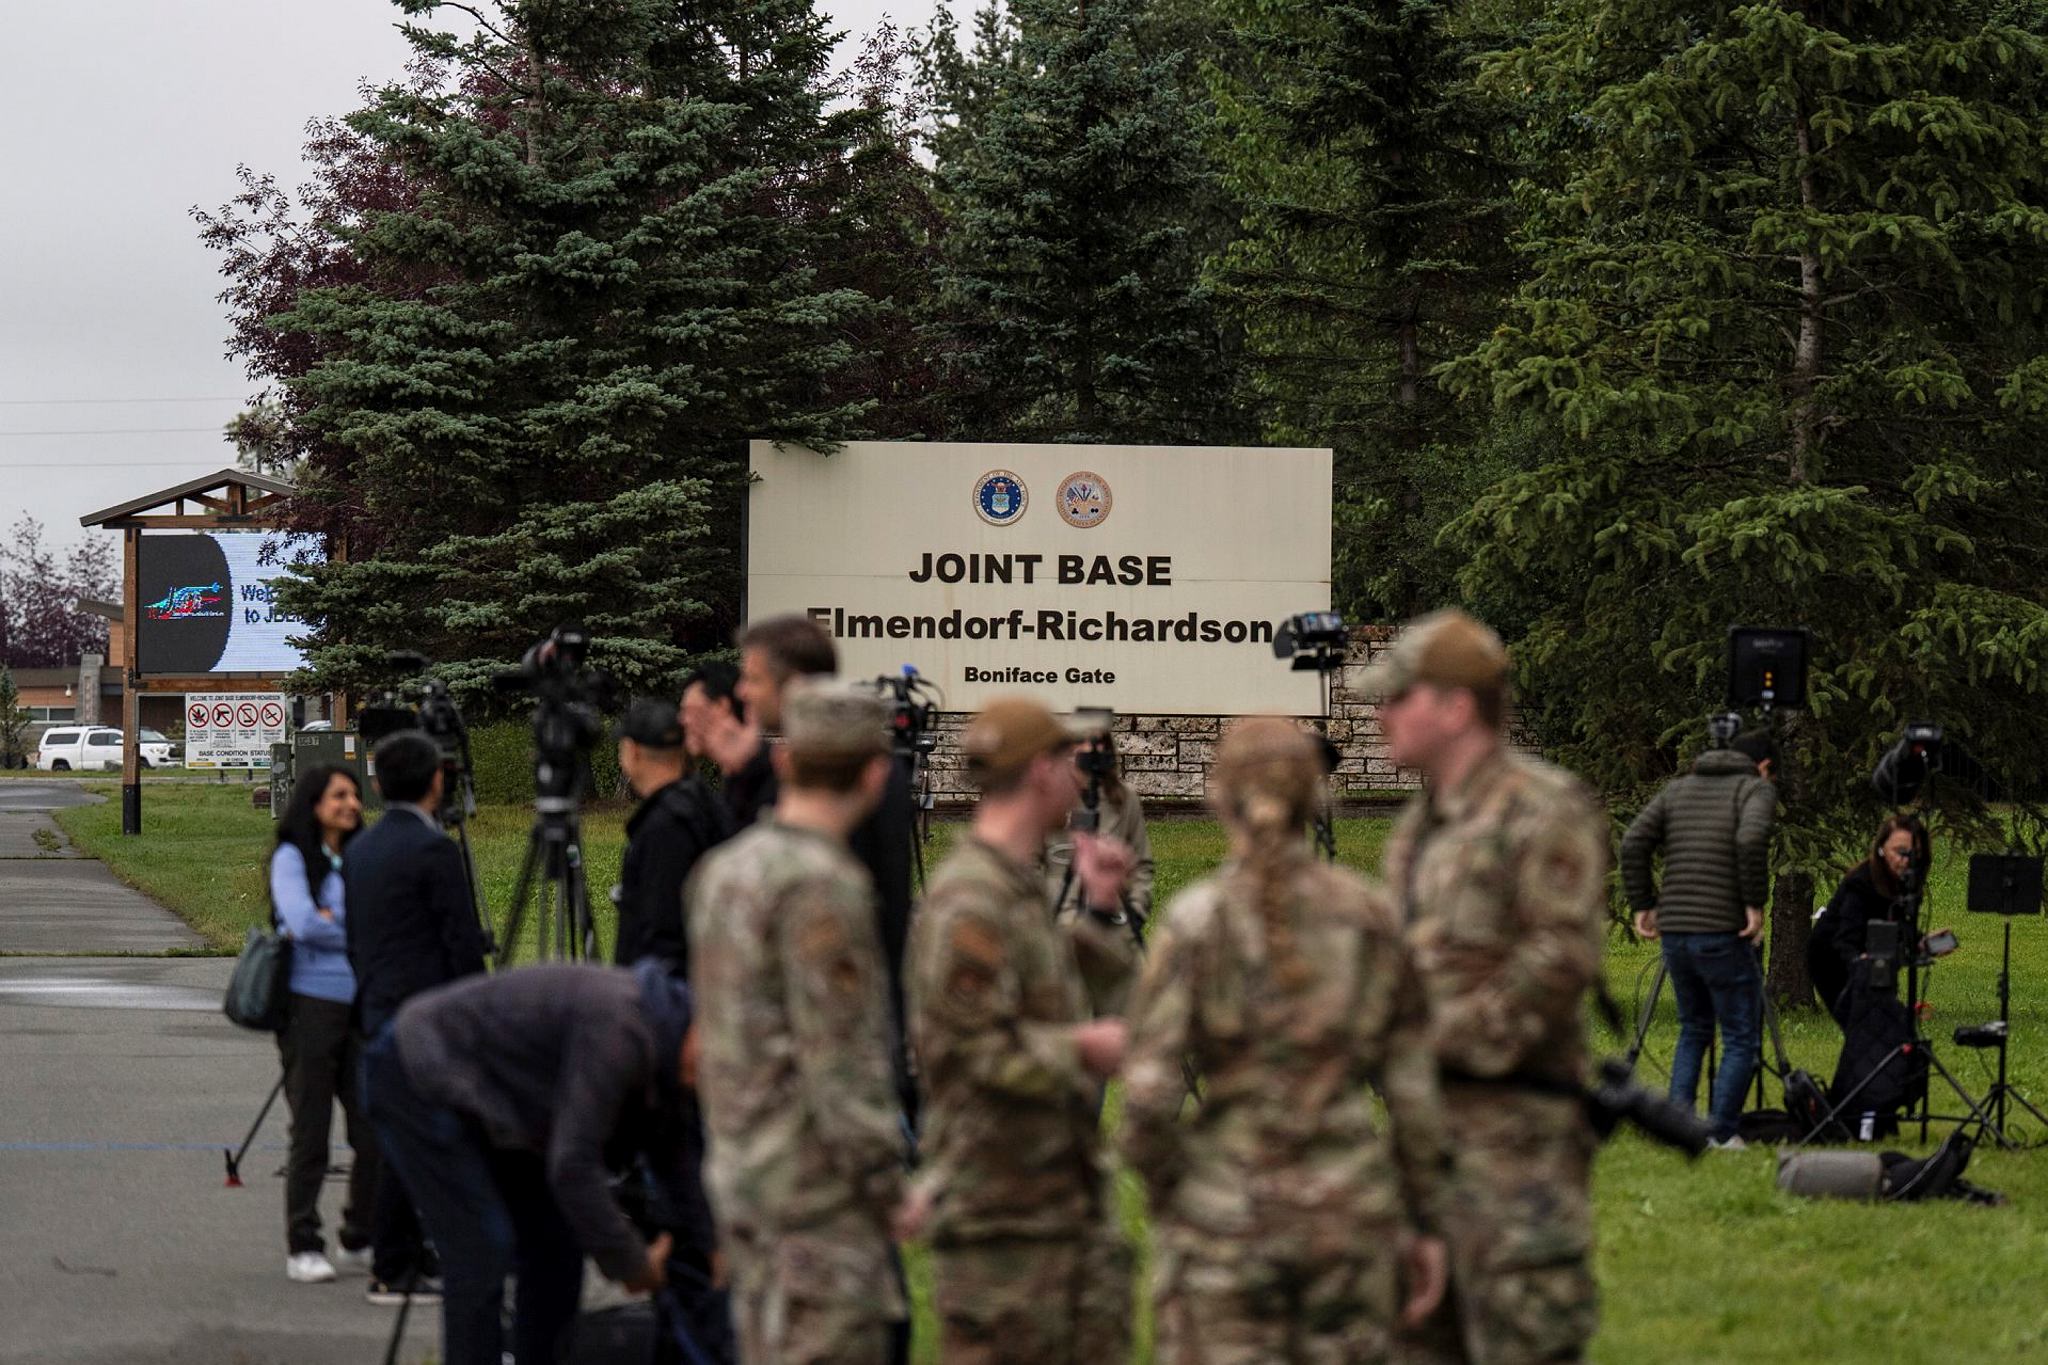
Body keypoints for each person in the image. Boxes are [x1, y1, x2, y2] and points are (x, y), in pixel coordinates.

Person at [1119, 719, 1450, 1364]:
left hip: (1224, 1220)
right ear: (1316, 799)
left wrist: (1176, 1193)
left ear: (1220, 799)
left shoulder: (1196, 923)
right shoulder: (1369, 915)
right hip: (1348, 1217)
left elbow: (1147, 1096)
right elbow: (1414, 1091)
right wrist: (1423, 1219)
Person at [1369, 611, 1609, 1365]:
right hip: (1422, 1153)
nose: (1380, 713)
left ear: (1454, 706)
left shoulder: (1541, 808)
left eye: (1397, 697)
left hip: (1513, 1158)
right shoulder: (1418, 827)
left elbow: (1560, 961)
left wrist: (1432, 1042)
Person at [902, 697, 1136, 1365]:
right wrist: (1084, 1049)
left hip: (1046, 1204)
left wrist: (1096, 908)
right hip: (997, 1222)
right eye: (1067, 759)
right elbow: (966, 1048)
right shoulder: (970, 900)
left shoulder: (1013, 886)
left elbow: (1038, 988)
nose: (1078, 773)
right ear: (1039, 770)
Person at [689, 682, 910, 1363]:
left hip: (740, 1171)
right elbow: (841, 1061)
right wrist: (890, 1183)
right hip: (816, 1195)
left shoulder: (722, 870)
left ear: (785, 764)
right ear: (876, 773)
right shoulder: (825, 886)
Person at [361, 962, 705, 1365]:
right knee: (482, 1247)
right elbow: (573, 1165)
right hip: (416, 1069)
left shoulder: (667, 1048)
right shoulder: (619, 1030)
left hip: (500, 1104)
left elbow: (675, 1156)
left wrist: (712, 1245)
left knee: (556, 1247)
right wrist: (630, 1262)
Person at [730, 615, 918, 1099]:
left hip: (838, 1035)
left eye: (753, 678)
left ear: (791, 686)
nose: (743, 692)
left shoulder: (845, 774)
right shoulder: (862, 765)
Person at [345, 729, 490, 1304]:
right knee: (423, 1145)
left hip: (378, 1005)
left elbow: (356, 938)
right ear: (437, 780)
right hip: (429, 1014)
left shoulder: (361, 849)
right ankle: (397, 1262)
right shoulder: (435, 851)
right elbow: (459, 941)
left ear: (378, 784)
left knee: (396, 1139)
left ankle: (401, 1255)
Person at [1619, 730, 1777, 1147]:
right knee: (1741, 1034)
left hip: (1675, 930)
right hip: (1721, 929)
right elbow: (1750, 838)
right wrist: (1753, 902)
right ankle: (1721, 1133)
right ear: (1764, 767)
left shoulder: (1678, 790)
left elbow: (1634, 841)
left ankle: (1679, 1127)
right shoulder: (1754, 791)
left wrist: (1643, 903)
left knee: (1694, 1029)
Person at [268, 763, 379, 1284]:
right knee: (311, 1130)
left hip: (361, 1008)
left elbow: (371, 920)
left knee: (374, 1126)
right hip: (308, 1009)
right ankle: (303, 1243)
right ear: (315, 804)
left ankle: (361, 1232)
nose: (351, 804)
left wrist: (338, 924)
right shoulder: (293, 858)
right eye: (339, 795)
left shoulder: (360, 856)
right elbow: (301, 922)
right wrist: (347, 928)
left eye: (355, 795)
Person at [614, 697, 733, 972]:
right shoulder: (705, 803)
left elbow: (662, 925)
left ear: (632, 752)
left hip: (672, 989)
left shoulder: (666, 825)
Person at [1044, 733, 1154, 1014]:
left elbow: (1142, 864)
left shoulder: (1124, 799)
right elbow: (1032, 866)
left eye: (1101, 743)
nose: (1094, 750)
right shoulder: (1053, 799)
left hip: (1115, 917)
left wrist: (1136, 911)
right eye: (1085, 742)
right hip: (1061, 916)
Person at [1809, 814, 1930, 1025]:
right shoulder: (1861, 883)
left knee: (1884, 1028)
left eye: (1914, 854)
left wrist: (1920, 942)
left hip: (1874, 959)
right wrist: (1861, 961)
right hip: (1832, 958)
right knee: (1865, 1029)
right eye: (1900, 852)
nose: (1906, 860)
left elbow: (1900, 924)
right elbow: (1845, 938)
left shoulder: (1908, 883)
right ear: (1882, 849)